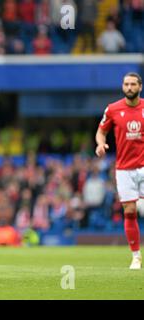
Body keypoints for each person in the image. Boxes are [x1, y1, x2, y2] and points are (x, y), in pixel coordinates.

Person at [95, 72, 143, 270]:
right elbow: (101, 131)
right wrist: (100, 144)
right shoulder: (113, 109)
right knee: (130, 212)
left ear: (140, 87)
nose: (129, 87)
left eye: (133, 84)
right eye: (126, 84)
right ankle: (136, 257)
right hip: (124, 169)